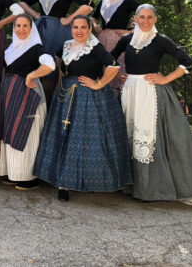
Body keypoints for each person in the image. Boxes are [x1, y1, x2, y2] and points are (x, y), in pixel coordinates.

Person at [111, 4, 192, 201]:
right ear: (135, 19)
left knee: (147, 137)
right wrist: (118, 74)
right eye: (142, 17)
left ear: (155, 19)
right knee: (128, 135)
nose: (146, 21)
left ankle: (149, 190)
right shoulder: (126, 40)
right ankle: (128, 185)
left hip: (150, 93)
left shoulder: (160, 40)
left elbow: (188, 61)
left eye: (150, 17)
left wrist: (166, 79)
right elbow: (109, 58)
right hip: (129, 92)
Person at [34, 15, 132, 201]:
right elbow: (60, 65)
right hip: (64, 96)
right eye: (75, 27)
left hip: (88, 98)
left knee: (82, 139)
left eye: (83, 27)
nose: (78, 31)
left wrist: (99, 84)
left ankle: (88, 181)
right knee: (63, 136)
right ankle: (63, 182)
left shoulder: (94, 47)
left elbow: (113, 66)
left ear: (89, 29)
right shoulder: (67, 45)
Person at [19, 0, 93, 103]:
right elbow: (22, 2)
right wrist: (34, 14)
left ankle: (49, 105)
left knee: (53, 66)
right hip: (39, 29)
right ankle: (31, 100)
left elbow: (89, 5)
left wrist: (69, 19)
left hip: (59, 32)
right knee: (34, 60)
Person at [0, 14, 55, 190]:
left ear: (32, 28)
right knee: (10, 131)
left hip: (28, 94)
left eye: (25, 26)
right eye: (18, 26)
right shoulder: (10, 49)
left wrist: (32, 75)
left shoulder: (37, 48)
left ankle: (27, 176)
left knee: (26, 133)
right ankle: (12, 172)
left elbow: (50, 65)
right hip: (10, 93)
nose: (21, 30)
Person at [91, 0, 140, 94]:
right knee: (101, 72)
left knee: (119, 72)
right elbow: (93, 17)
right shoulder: (103, 2)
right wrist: (96, 26)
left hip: (120, 41)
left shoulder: (127, 1)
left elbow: (145, 13)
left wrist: (131, 31)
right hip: (102, 40)